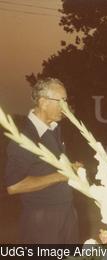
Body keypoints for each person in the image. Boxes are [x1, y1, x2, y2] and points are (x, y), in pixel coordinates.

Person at [5, 78, 79, 244]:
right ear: (43, 102)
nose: (65, 106)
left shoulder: (54, 129)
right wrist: (61, 175)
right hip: (42, 223)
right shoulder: (24, 138)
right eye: (61, 101)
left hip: (66, 216)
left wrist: (71, 168)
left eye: (66, 101)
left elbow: (46, 167)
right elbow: (14, 186)